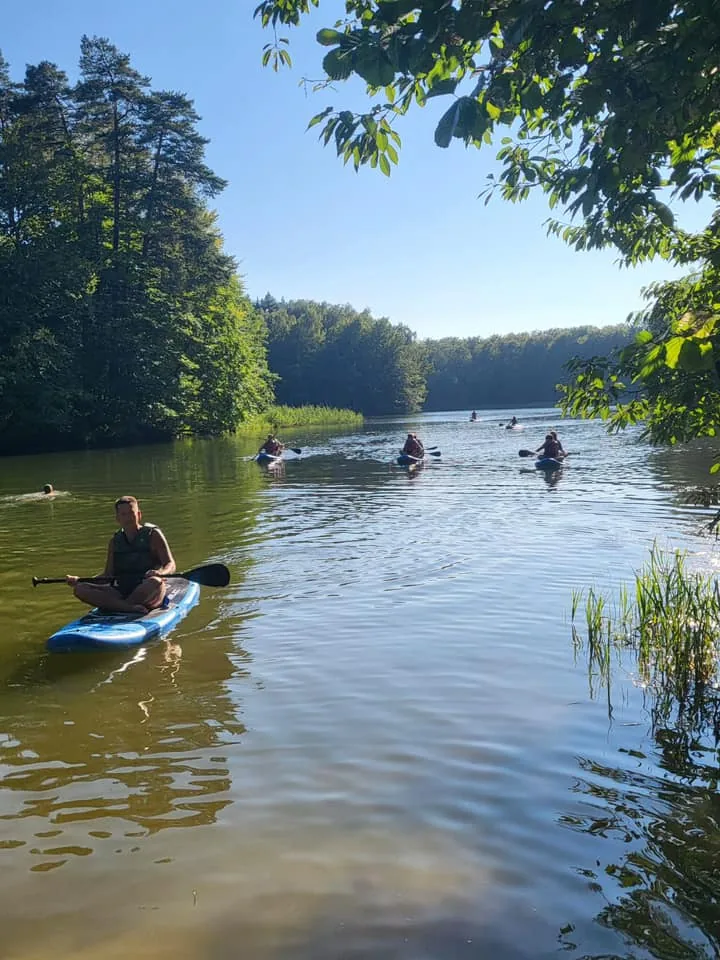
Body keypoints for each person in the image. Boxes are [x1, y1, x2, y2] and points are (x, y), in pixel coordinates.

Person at [66, 495, 176, 614]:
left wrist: (161, 573)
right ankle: (128, 607)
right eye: (123, 514)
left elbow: (170, 564)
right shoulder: (115, 541)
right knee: (80, 589)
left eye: (131, 513)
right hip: (121, 590)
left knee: (155, 582)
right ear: (118, 518)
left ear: (139, 515)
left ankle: (117, 606)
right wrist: (80, 581)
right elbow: (108, 575)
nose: (128, 518)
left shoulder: (153, 535)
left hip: (147, 588)